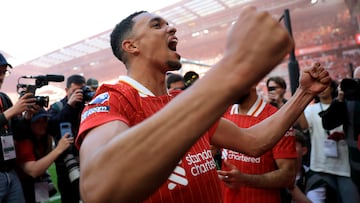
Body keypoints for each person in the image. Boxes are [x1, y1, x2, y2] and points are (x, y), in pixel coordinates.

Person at [75, 8, 331, 202]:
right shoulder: (113, 98)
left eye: (168, 24)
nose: (171, 29)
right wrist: (232, 69)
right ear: (131, 46)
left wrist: (303, 93)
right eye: (156, 25)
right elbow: (97, 188)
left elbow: (254, 142)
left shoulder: (179, 101)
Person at [217, 84, 297, 203]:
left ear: (253, 82)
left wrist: (246, 179)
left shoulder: (276, 118)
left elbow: (288, 176)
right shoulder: (224, 114)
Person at [301, 79, 360, 203]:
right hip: (320, 167)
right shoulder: (313, 109)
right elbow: (307, 126)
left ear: (332, 87)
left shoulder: (349, 104)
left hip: (345, 166)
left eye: (325, 86)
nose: (322, 89)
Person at [15, 108, 73, 203]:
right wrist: (59, 149)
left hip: (35, 181)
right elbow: (33, 171)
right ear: (30, 124)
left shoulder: (46, 138)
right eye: (37, 121)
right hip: (21, 183)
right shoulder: (24, 141)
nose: (42, 125)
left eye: (45, 121)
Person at [0, 53, 36, 202]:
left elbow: (18, 133)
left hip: (10, 171)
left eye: (3, 72)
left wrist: (27, 116)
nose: (1, 77)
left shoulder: (3, 98)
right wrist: (11, 112)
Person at [319, 67, 360, 194]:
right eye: (357, 80)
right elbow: (328, 123)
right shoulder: (350, 100)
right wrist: (339, 100)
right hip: (357, 167)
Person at [47, 74, 86, 203]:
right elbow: (51, 128)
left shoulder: (86, 106)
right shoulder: (58, 107)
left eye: (81, 91)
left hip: (86, 159)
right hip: (65, 164)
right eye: (74, 91)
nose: (78, 94)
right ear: (66, 90)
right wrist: (69, 106)